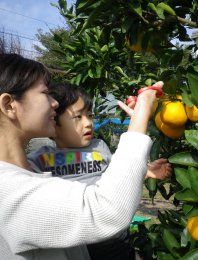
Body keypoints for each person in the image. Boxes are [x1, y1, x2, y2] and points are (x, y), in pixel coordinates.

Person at [0, 53, 164, 259]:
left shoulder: (26, 173)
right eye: (44, 93)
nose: (54, 103)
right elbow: (105, 211)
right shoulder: (7, 188)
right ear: (9, 105)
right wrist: (142, 112)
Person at [27, 83, 172, 260]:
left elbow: (118, 175)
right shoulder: (41, 159)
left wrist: (146, 170)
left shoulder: (99, 147)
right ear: (53, 123)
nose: (88, 123)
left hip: (115, 239)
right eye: (77, 117)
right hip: (77, 242)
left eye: (89, 115)